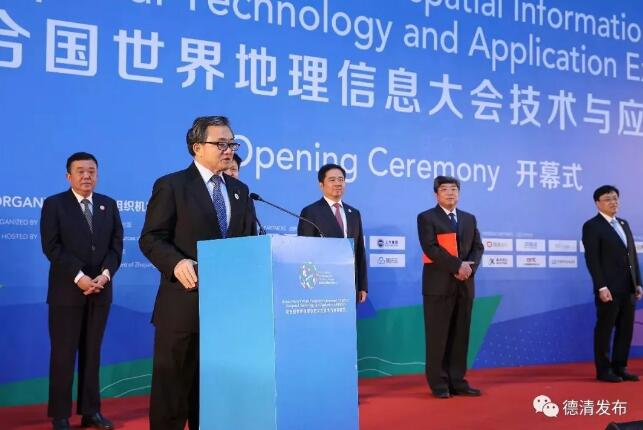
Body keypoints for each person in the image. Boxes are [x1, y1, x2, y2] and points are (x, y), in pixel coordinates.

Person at [139, 116, 257, 430]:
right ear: (197, 147)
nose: (229, 150)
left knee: (212, 400)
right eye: (221, 144)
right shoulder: (172, 185)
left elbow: (248, 242)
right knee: (172, 399)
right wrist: (176, 263)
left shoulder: (240, 191)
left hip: (227, 314)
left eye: (232, 144)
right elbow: (151, 238)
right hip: (183, 307)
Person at [40, 152, 123, 430]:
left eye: (91, 171)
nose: (87, 176)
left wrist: (104, 275)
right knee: (63, 355)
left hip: (100, 291)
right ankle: (60, 415)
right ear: (69, 176)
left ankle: (91, 412)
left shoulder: (108, 204)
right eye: (80, 171)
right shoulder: (54, 204)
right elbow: (52, 247)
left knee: (92, 354)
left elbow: (116, 246)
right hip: (67, 293)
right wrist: (79, 276)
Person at [417, 175, 484, 399]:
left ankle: (458, 381)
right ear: (436, 194)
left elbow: (478, 247)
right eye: (444, 189)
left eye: (454, 189)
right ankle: (438, 383)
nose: (450, 193)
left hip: (465, 285)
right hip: (438, 287)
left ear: (459, 193)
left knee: (460, 335)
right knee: (438, 336)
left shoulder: (469, 219)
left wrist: (468, 269)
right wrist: (457, 266)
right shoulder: (427, 218)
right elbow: (431, 248)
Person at [582, 185, 642, 383]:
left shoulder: (623, 224)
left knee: (626, 330)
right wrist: (601, 286)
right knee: (605, 329)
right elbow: (592, 259)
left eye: (615, 198)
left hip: (628, 287)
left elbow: (632, 255)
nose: (613, 202)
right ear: (597, 203)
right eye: (607, 199)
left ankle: (620, 367)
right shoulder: (592, 226)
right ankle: (603, 370)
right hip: (608, 288)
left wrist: (638, 282)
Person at [297, 163, 367, 303]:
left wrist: (362, 286)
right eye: (332, 180)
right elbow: (305, 253)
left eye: (341, 179)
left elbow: (359, 251)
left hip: (350, 284)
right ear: (321, 185)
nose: (338, 183)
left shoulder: (354, 213)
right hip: (323, 284)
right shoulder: (311, 212)